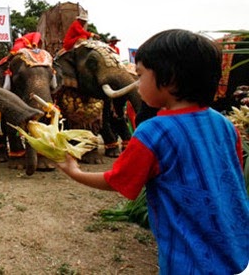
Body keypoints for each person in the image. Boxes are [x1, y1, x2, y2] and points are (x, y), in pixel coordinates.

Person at [56, 29, 249, 274]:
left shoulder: (153, 132)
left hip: (189, 262)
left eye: (140, 75)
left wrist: (74, 171)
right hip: (240, 253)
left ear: (168, 79)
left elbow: (118, 180)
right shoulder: (226, 125)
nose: (136, 84)